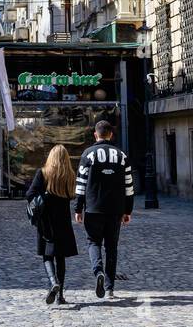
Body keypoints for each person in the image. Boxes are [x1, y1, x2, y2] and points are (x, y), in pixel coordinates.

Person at [73, 118, 134, 298]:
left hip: (93, 208)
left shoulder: (88, 154)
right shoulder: (121, 156)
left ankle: (97, 270)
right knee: (112, 247)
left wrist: (78, 208)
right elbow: (129, 185)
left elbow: (81, 183)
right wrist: (128, 210)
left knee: (93, 242)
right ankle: (109, 288)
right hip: (115, 209)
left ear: (95, 134)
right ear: (111, 134)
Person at [26, 144, 78, 306]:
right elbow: (71, 196)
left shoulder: (43, 173)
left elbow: (30, 194)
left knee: (47, 256)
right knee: (60, 259)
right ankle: (60, 296)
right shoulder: (69, 175)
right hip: (63, 221)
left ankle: (52, 281)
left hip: (46, 221)